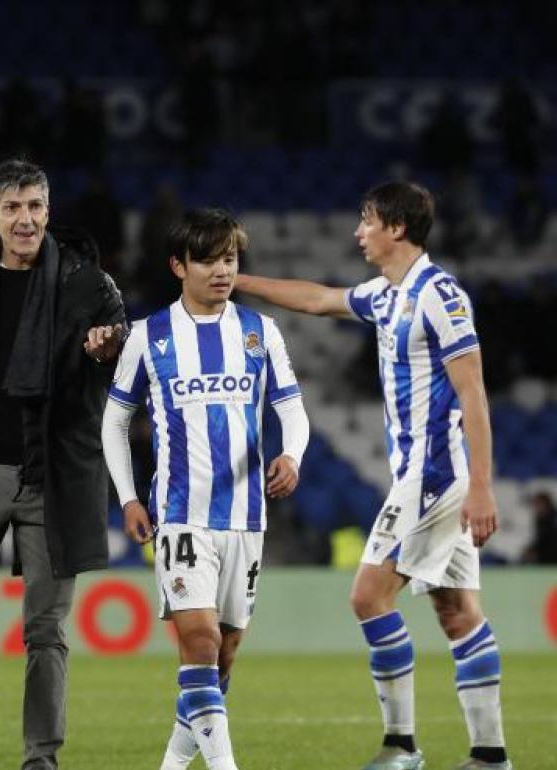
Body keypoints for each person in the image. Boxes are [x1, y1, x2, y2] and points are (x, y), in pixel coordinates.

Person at [235, 181, 510, 770]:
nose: (358, 232)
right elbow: (317, 299)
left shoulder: (440, 295)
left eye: (367, 221)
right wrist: (238, 283)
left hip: (434, 475)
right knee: (457, 611)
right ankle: (490, 756)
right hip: (424, 474)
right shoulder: (388, 296)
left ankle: (402, 746)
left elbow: (475, 394)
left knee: (367, 596)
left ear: (397, 228)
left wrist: (483, 486)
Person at [0, 158, 125, 770]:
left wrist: (108, 348)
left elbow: (120, 342)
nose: (26, 219)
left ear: (48, 211)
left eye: (36, 206)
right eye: (13, 208)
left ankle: (41, 756)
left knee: (47, 631)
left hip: (53, 477)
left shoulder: (83, 281)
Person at [101, 209, 310, 770]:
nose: (222, 270)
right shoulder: (149, 336)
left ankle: (171, 766)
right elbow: (114, 422)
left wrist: (292, 453)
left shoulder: (260, 331)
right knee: (199, 642)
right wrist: (127, 496)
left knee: (223, 658)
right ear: (179, 266)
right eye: (209, 260)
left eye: (230, 259)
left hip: (245, 517)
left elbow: (292, 409)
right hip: (180, 513)